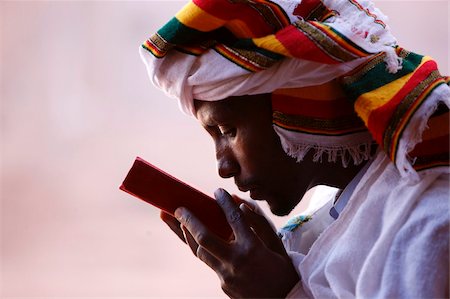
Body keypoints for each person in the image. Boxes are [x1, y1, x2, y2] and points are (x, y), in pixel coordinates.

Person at [139, 0, 450, 297]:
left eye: (227, 131)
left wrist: (281, 293)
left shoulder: (427, 224)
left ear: (297, 106)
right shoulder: (335, 201)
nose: (223, 166)